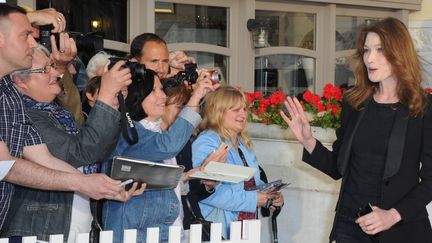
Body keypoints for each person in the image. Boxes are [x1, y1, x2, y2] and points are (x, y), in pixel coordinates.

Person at [280, 17, 432, 243]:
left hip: (400, 230)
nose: (370, 58)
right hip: (349, 226)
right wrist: (308, 140)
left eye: (380, 50)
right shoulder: (354, 103)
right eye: (366, 50)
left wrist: (393, 216)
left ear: (400, 54)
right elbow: (339, 168)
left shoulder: (423, 107)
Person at [0, 3, 126, 230]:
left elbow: (42, 156)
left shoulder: (9, 94)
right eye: (25, 35)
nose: (33, 43)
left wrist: (101, 185)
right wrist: (81, 182)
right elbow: (6, 165)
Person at [1, 44, 142, 242]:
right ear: (19, 81)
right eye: (45, 69)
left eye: (52, 66)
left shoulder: (59, 113)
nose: (56, 73)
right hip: (39, 229)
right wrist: (107, 95)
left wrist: (105, 187)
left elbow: (97, 152)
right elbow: (78, 153)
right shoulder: (23, 114)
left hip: (73, 226)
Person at [102, 69, 216, 242]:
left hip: (163, 230)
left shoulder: (156, 133)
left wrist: (187, 178)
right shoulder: (127, 133)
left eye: (161, 89)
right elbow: (167, 146)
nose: (162, 96)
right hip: (135, 234)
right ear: (136, 95)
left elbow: (158, 180)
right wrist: (195, 97)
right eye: (154, 90)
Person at [192, 86, 284, 239]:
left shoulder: (241, 143)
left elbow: (252, 183)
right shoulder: (207, 141)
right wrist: (254, 199)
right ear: (218, 112)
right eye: (236, 110)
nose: (243, 114)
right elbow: (206, 192)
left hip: (243, 227)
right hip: (217, 229)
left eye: (244, 109)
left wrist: (271, 195)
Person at [160, 84, 226, 241]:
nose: (184, 113)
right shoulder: (151, 139)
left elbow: (192, 193)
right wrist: (185, 177)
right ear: (161, 106)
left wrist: (207, 183)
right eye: (178, 106)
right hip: (163, 224)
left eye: (186, 107)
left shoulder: (184, 142)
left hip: (189, 223)